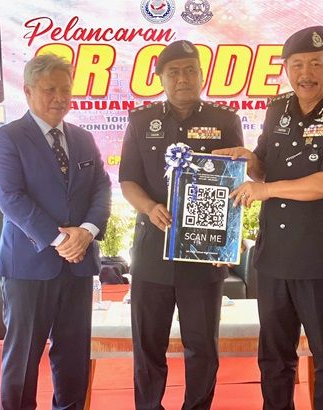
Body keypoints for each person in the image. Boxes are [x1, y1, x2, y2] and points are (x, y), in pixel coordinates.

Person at [214, 26, 323, 410]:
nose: (306, 73)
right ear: (286, 69)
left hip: (321, 256)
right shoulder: (277, 108)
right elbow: (265, 169)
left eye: (315, 63)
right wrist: (248, 159)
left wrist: (265, 190)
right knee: (274, 356)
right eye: (297, 64)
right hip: (274, 256)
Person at [118, 40, 244, 410]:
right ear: (160, 78)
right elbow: (128, 180)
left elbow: (234, 182)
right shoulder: (142, 121)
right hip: (152, 250)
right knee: (148, 346)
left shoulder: (225, 120)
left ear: (202, 75)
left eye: (190, 70)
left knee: (202, 347)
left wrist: (228, 238)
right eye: (173, 72)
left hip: (203, 253)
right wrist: (150, 207)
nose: (183, 78)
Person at [0, 54, 112, 409]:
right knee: (23, 356)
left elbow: (102, 187)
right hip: (28, 265)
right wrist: (60, 240)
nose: (60, 98)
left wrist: (86, 231)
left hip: (78, 264)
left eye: (66, 90)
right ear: (28, 91)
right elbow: (10, 198)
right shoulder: (8, 138)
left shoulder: (83, 138)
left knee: (74, 355)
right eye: (50, 90)